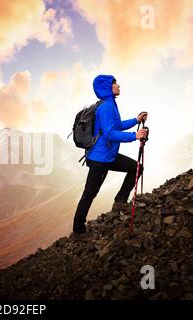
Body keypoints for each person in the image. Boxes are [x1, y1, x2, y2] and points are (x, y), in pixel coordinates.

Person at [71, 74, 148, 241]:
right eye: (115, 84)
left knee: (136, 168)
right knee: (90, 193)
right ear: (108, 87)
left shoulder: (110, 105)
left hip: (107, 156)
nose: (119, 85)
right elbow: (111, 133)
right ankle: (78, 231)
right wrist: (135, 136)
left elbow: (117, 125)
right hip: (100, 159)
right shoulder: (106, 107)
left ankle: (120, 201)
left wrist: (136, 120)